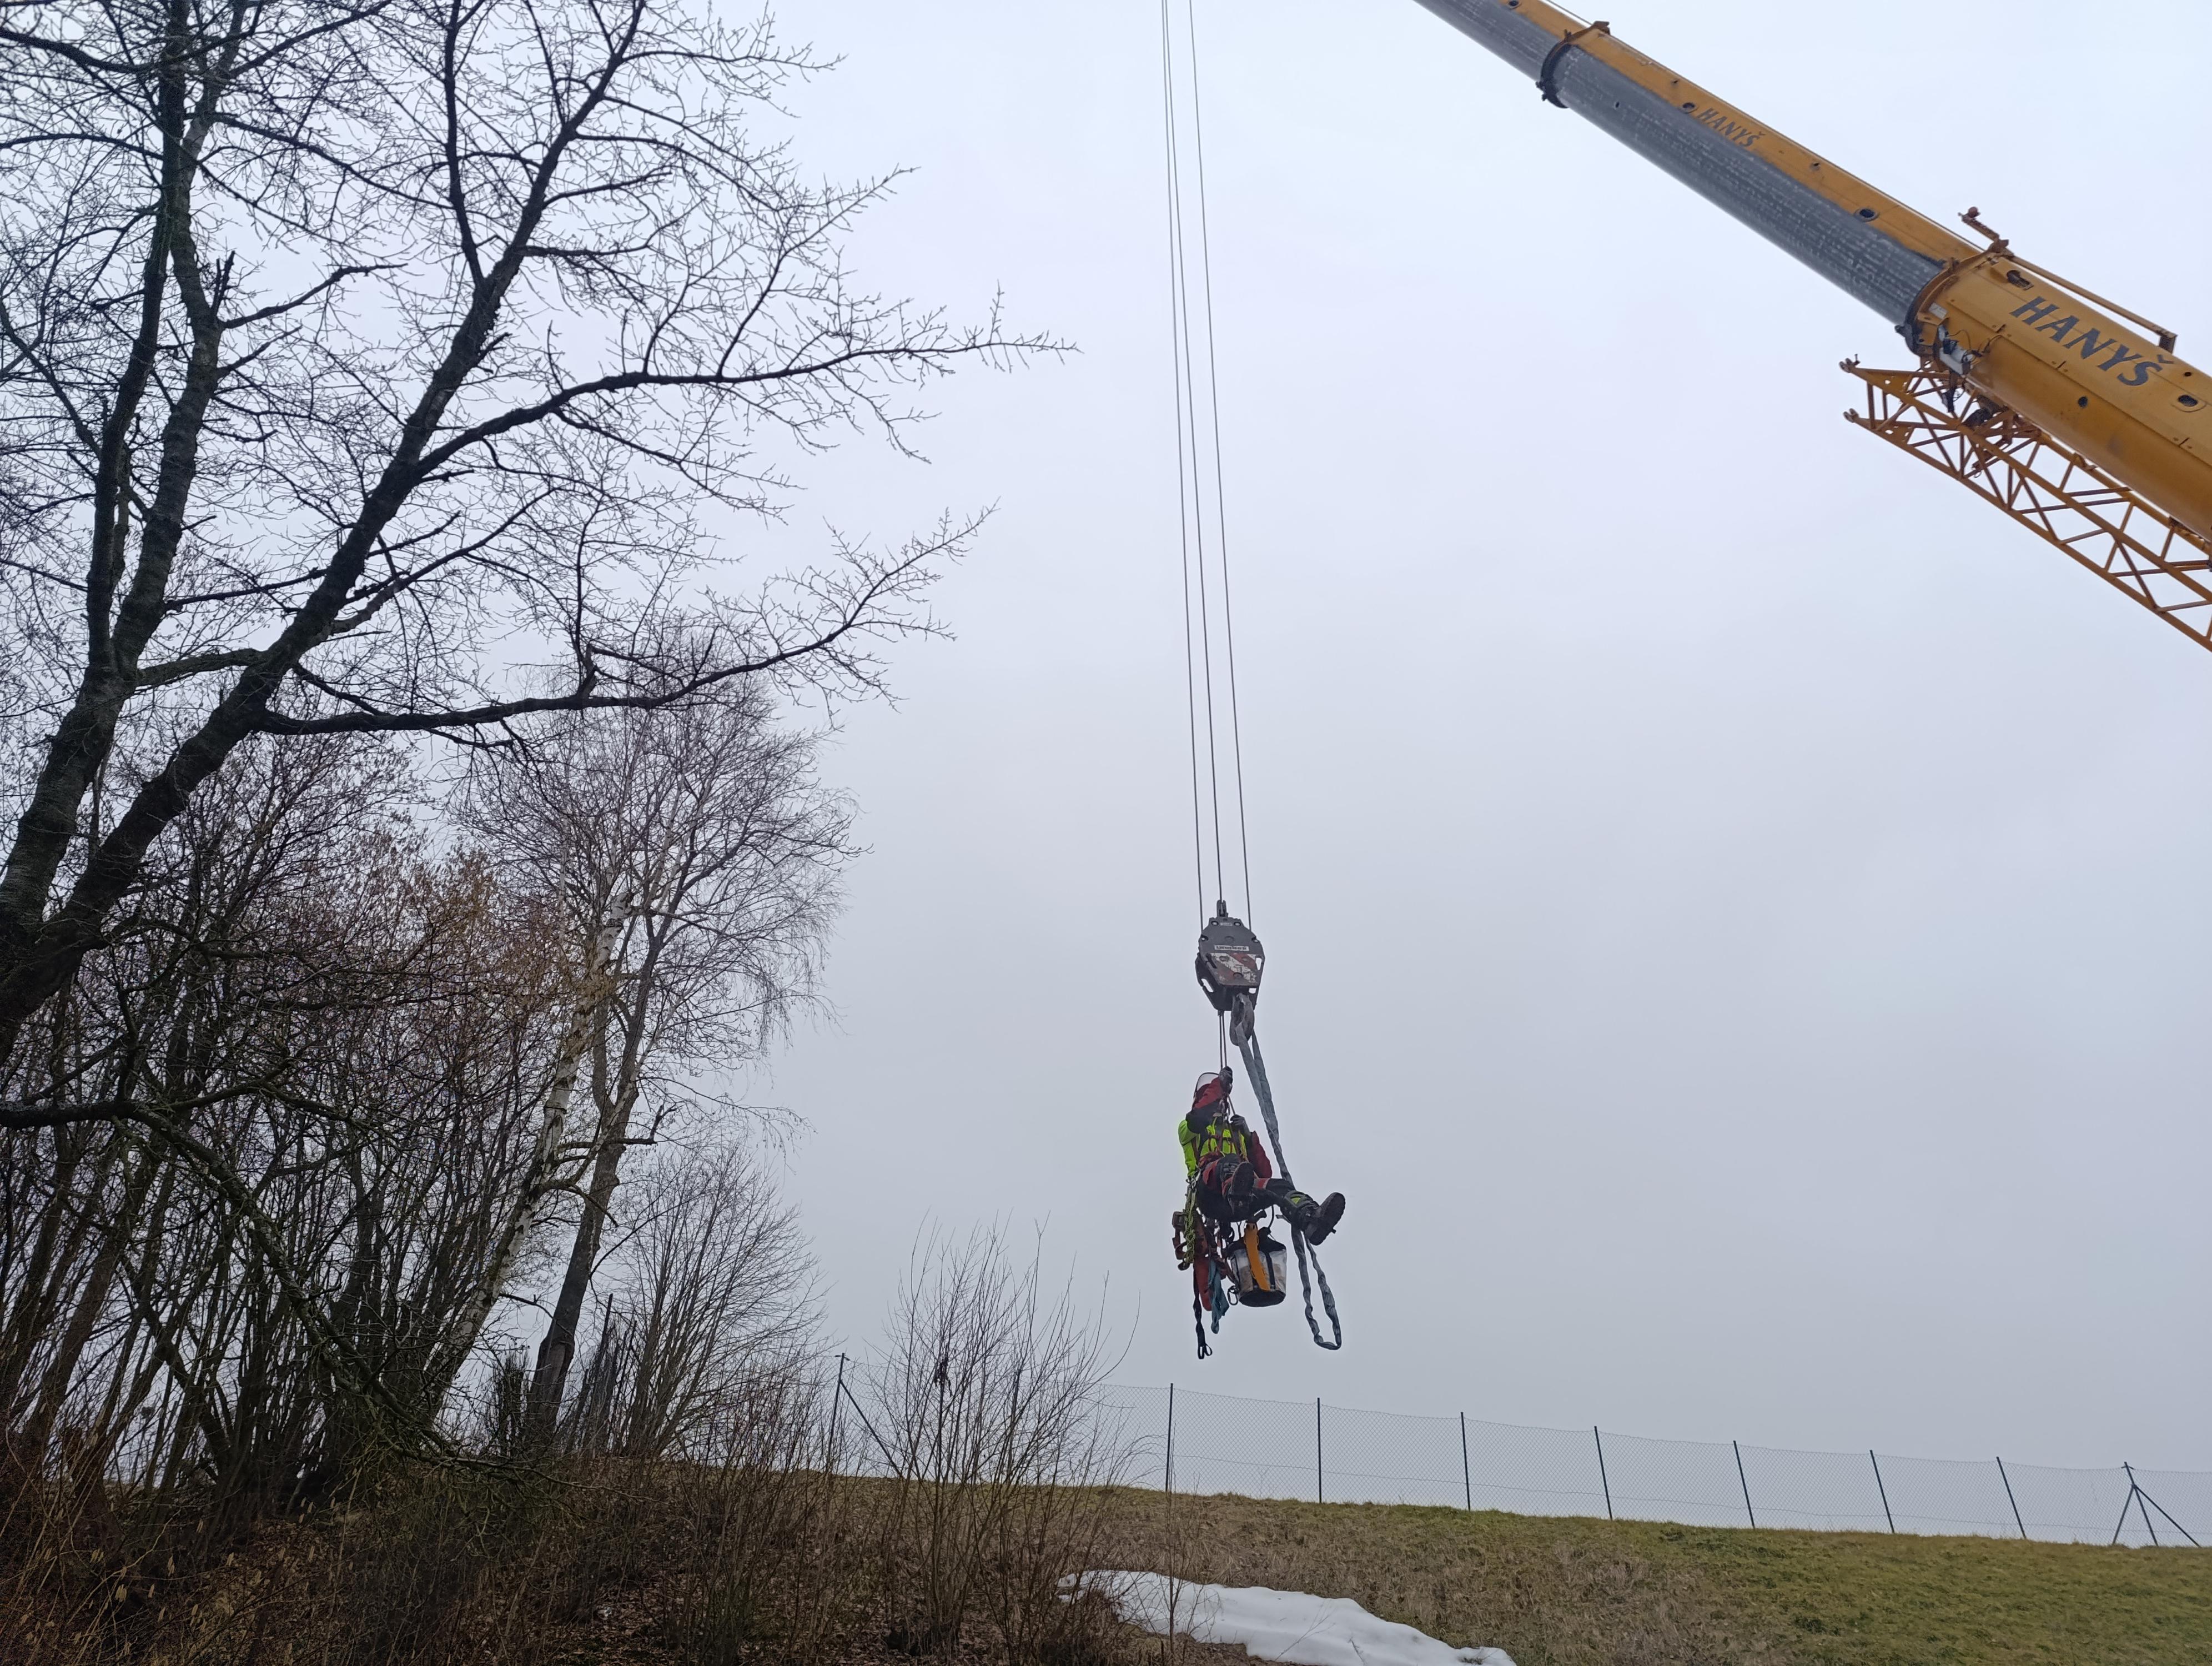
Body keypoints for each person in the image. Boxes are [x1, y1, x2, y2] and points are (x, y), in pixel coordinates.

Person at [1179, 1067, 1344, 1245]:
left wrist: (1249, 1138)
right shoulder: (1188, 1129)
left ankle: (1311, 1218)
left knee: (1278, 1186)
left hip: (1242, 1201)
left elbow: (1264, 1174)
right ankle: (1234, 1191)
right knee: (1229, 1163)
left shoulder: (1235, 1134)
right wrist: (1219, 1085)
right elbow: (1198, 1119)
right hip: (1209, 1197)